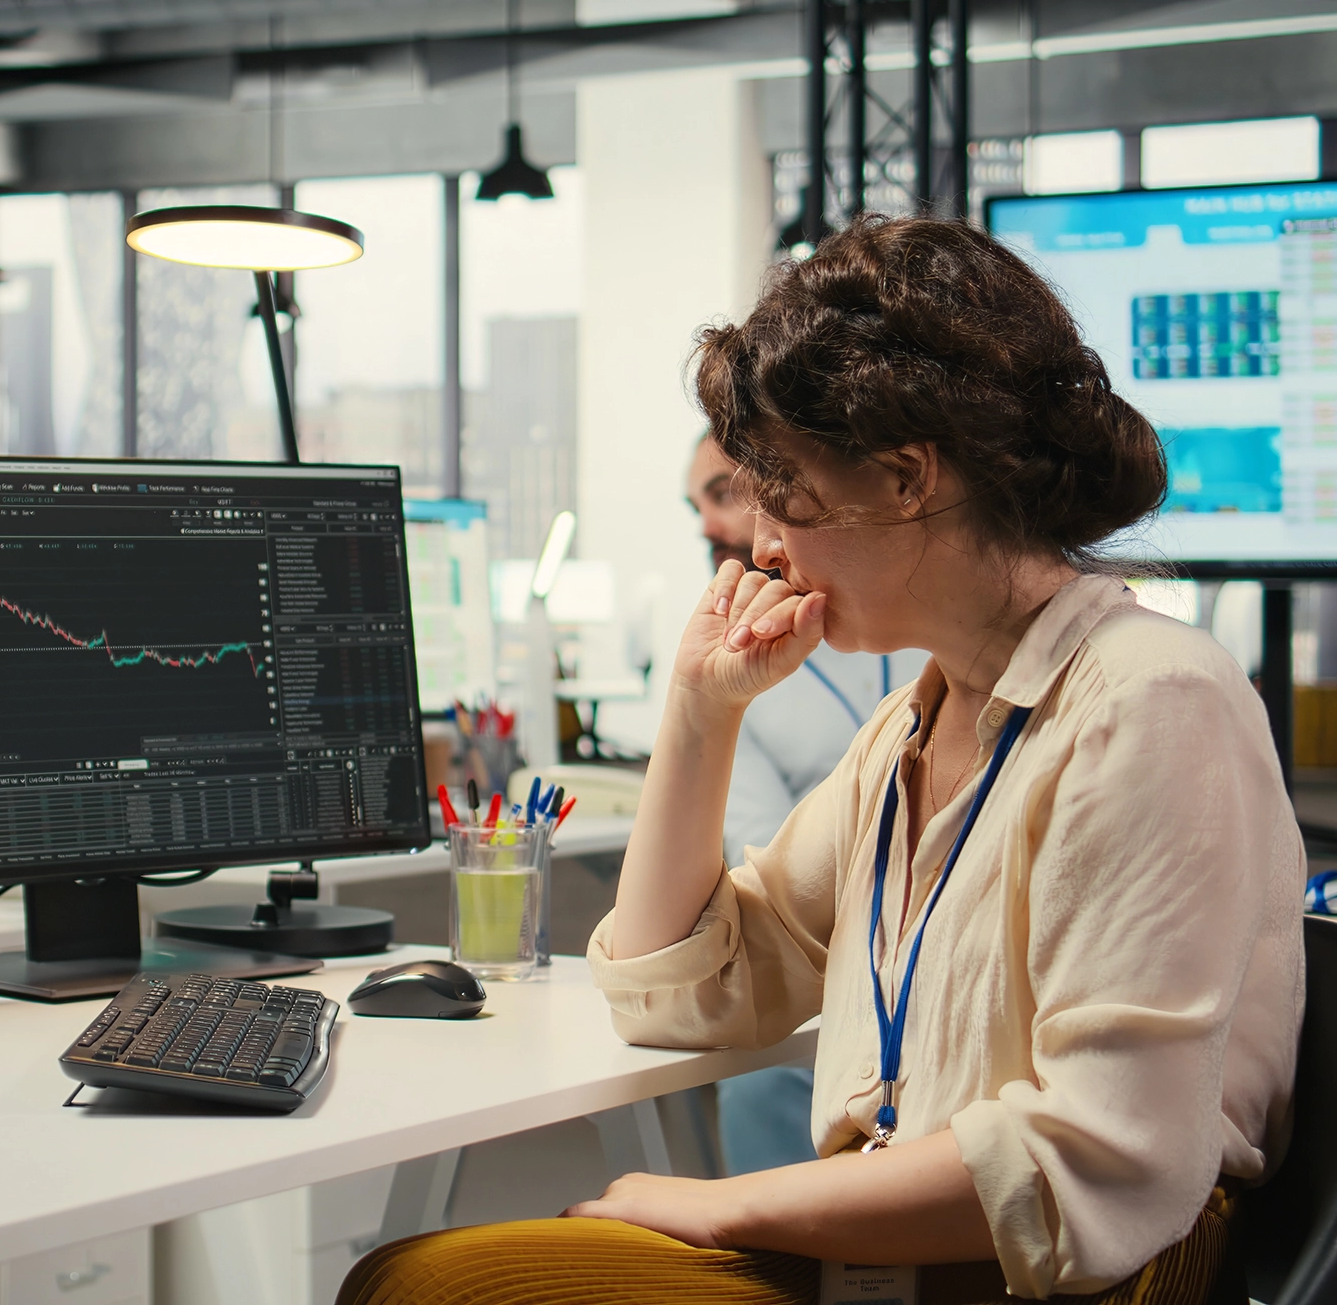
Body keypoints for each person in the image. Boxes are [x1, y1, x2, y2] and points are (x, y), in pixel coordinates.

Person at [340, 215, 1304, 1305]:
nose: (761, 544)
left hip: (1035, 1284)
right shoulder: (912, 727)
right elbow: (681, 995)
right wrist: (700, 716)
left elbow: (1094, 1155)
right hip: (900, 1266)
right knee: (419, 1280)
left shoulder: (1147, 700)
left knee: (432, 1288)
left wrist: (719, 1204)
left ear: (903, 478)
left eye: (783, 490)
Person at [687, 431, 927, 1175]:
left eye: (738, 493)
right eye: (710, 503)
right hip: (838, 946)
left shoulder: (931, 650)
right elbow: (761, 861)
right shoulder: (749, 671)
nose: (729, 531)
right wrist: (699, 705)